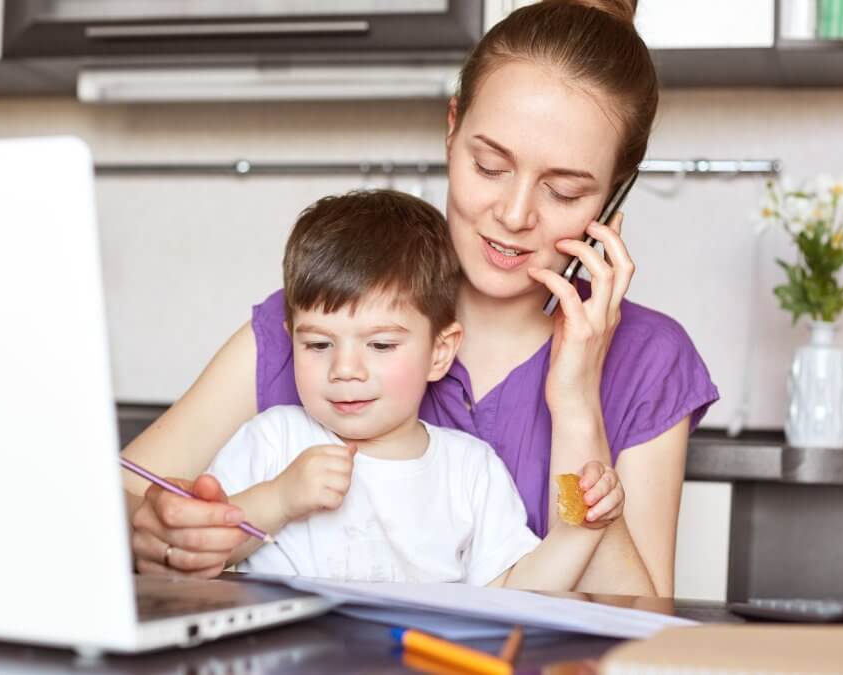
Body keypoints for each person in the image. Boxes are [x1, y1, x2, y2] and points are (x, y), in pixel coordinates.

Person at [123, 0, 718, 596]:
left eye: (563, 191)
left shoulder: (649, 359)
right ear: (451, 127)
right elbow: (118, 495)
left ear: (615, 194)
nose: (513, 216)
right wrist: (153, 531)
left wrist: (577, 402)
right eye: (489, 166)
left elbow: (641, 629)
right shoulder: (325, 316)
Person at [205, 190, 622, 587]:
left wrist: (582, 532)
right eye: (317, 344)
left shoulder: (470, 471)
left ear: (440, 353)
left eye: (381, 345)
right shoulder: (274, 441)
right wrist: (278, 500)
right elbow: (199, 549)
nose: (344, 370)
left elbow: (513, 594)